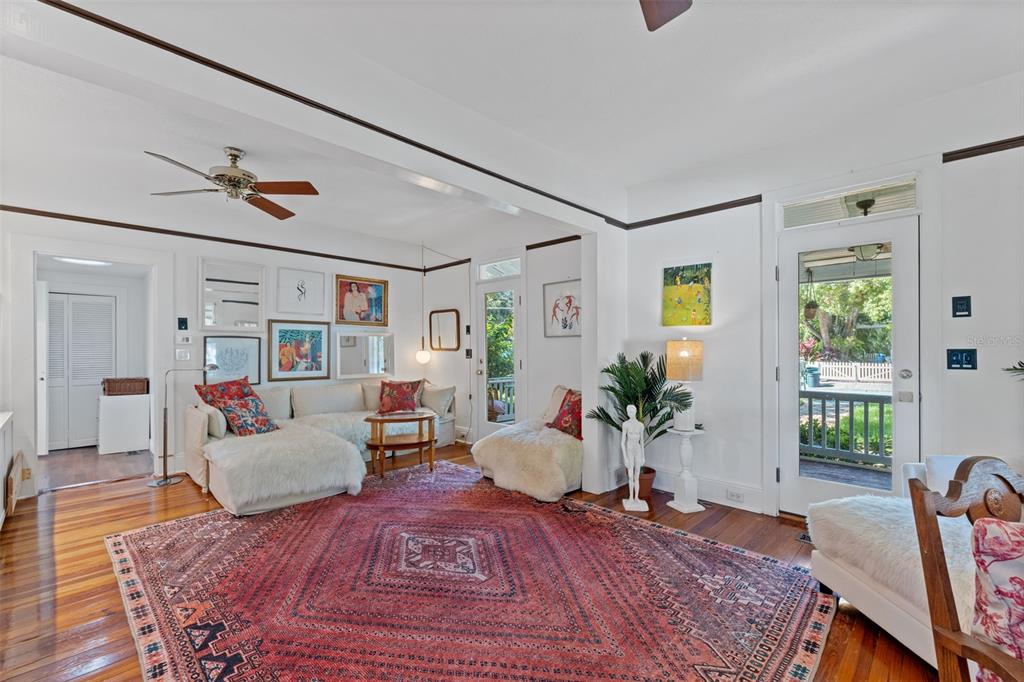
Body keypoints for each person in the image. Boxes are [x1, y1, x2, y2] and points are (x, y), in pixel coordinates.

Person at [620, 405, 646, 508]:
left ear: (635, 411)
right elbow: (622, 442)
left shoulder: (640, 425)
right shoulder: (625, 424)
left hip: (638, 450)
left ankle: (636, 498)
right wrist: (625, 457)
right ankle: (630, 497)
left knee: (637, 476)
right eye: (628, 411)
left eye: (632, 411)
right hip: (629, 450)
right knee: (630, 475)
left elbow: (642, 442)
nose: (630, 412)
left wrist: (643, 456)